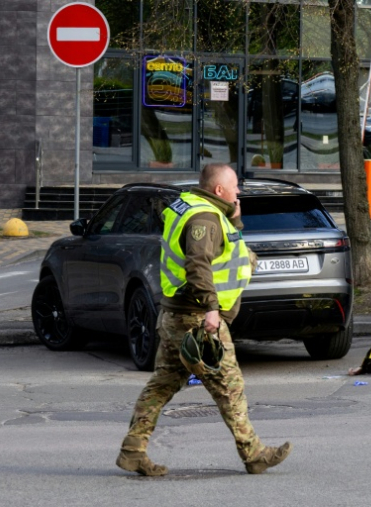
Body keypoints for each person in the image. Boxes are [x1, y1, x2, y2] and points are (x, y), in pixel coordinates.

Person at [116, 163, 291, 476]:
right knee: (229, 387)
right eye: (235, 186)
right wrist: (212, 308)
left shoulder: (194, 206)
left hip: (174, 315)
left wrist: (235, 218)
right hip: (197, 318)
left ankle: (133, 450)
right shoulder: (204, 218)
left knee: (161, 386)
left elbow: (228, 248)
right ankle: (254, 454)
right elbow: (198, 264)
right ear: (219, 190)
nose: (239, 191)